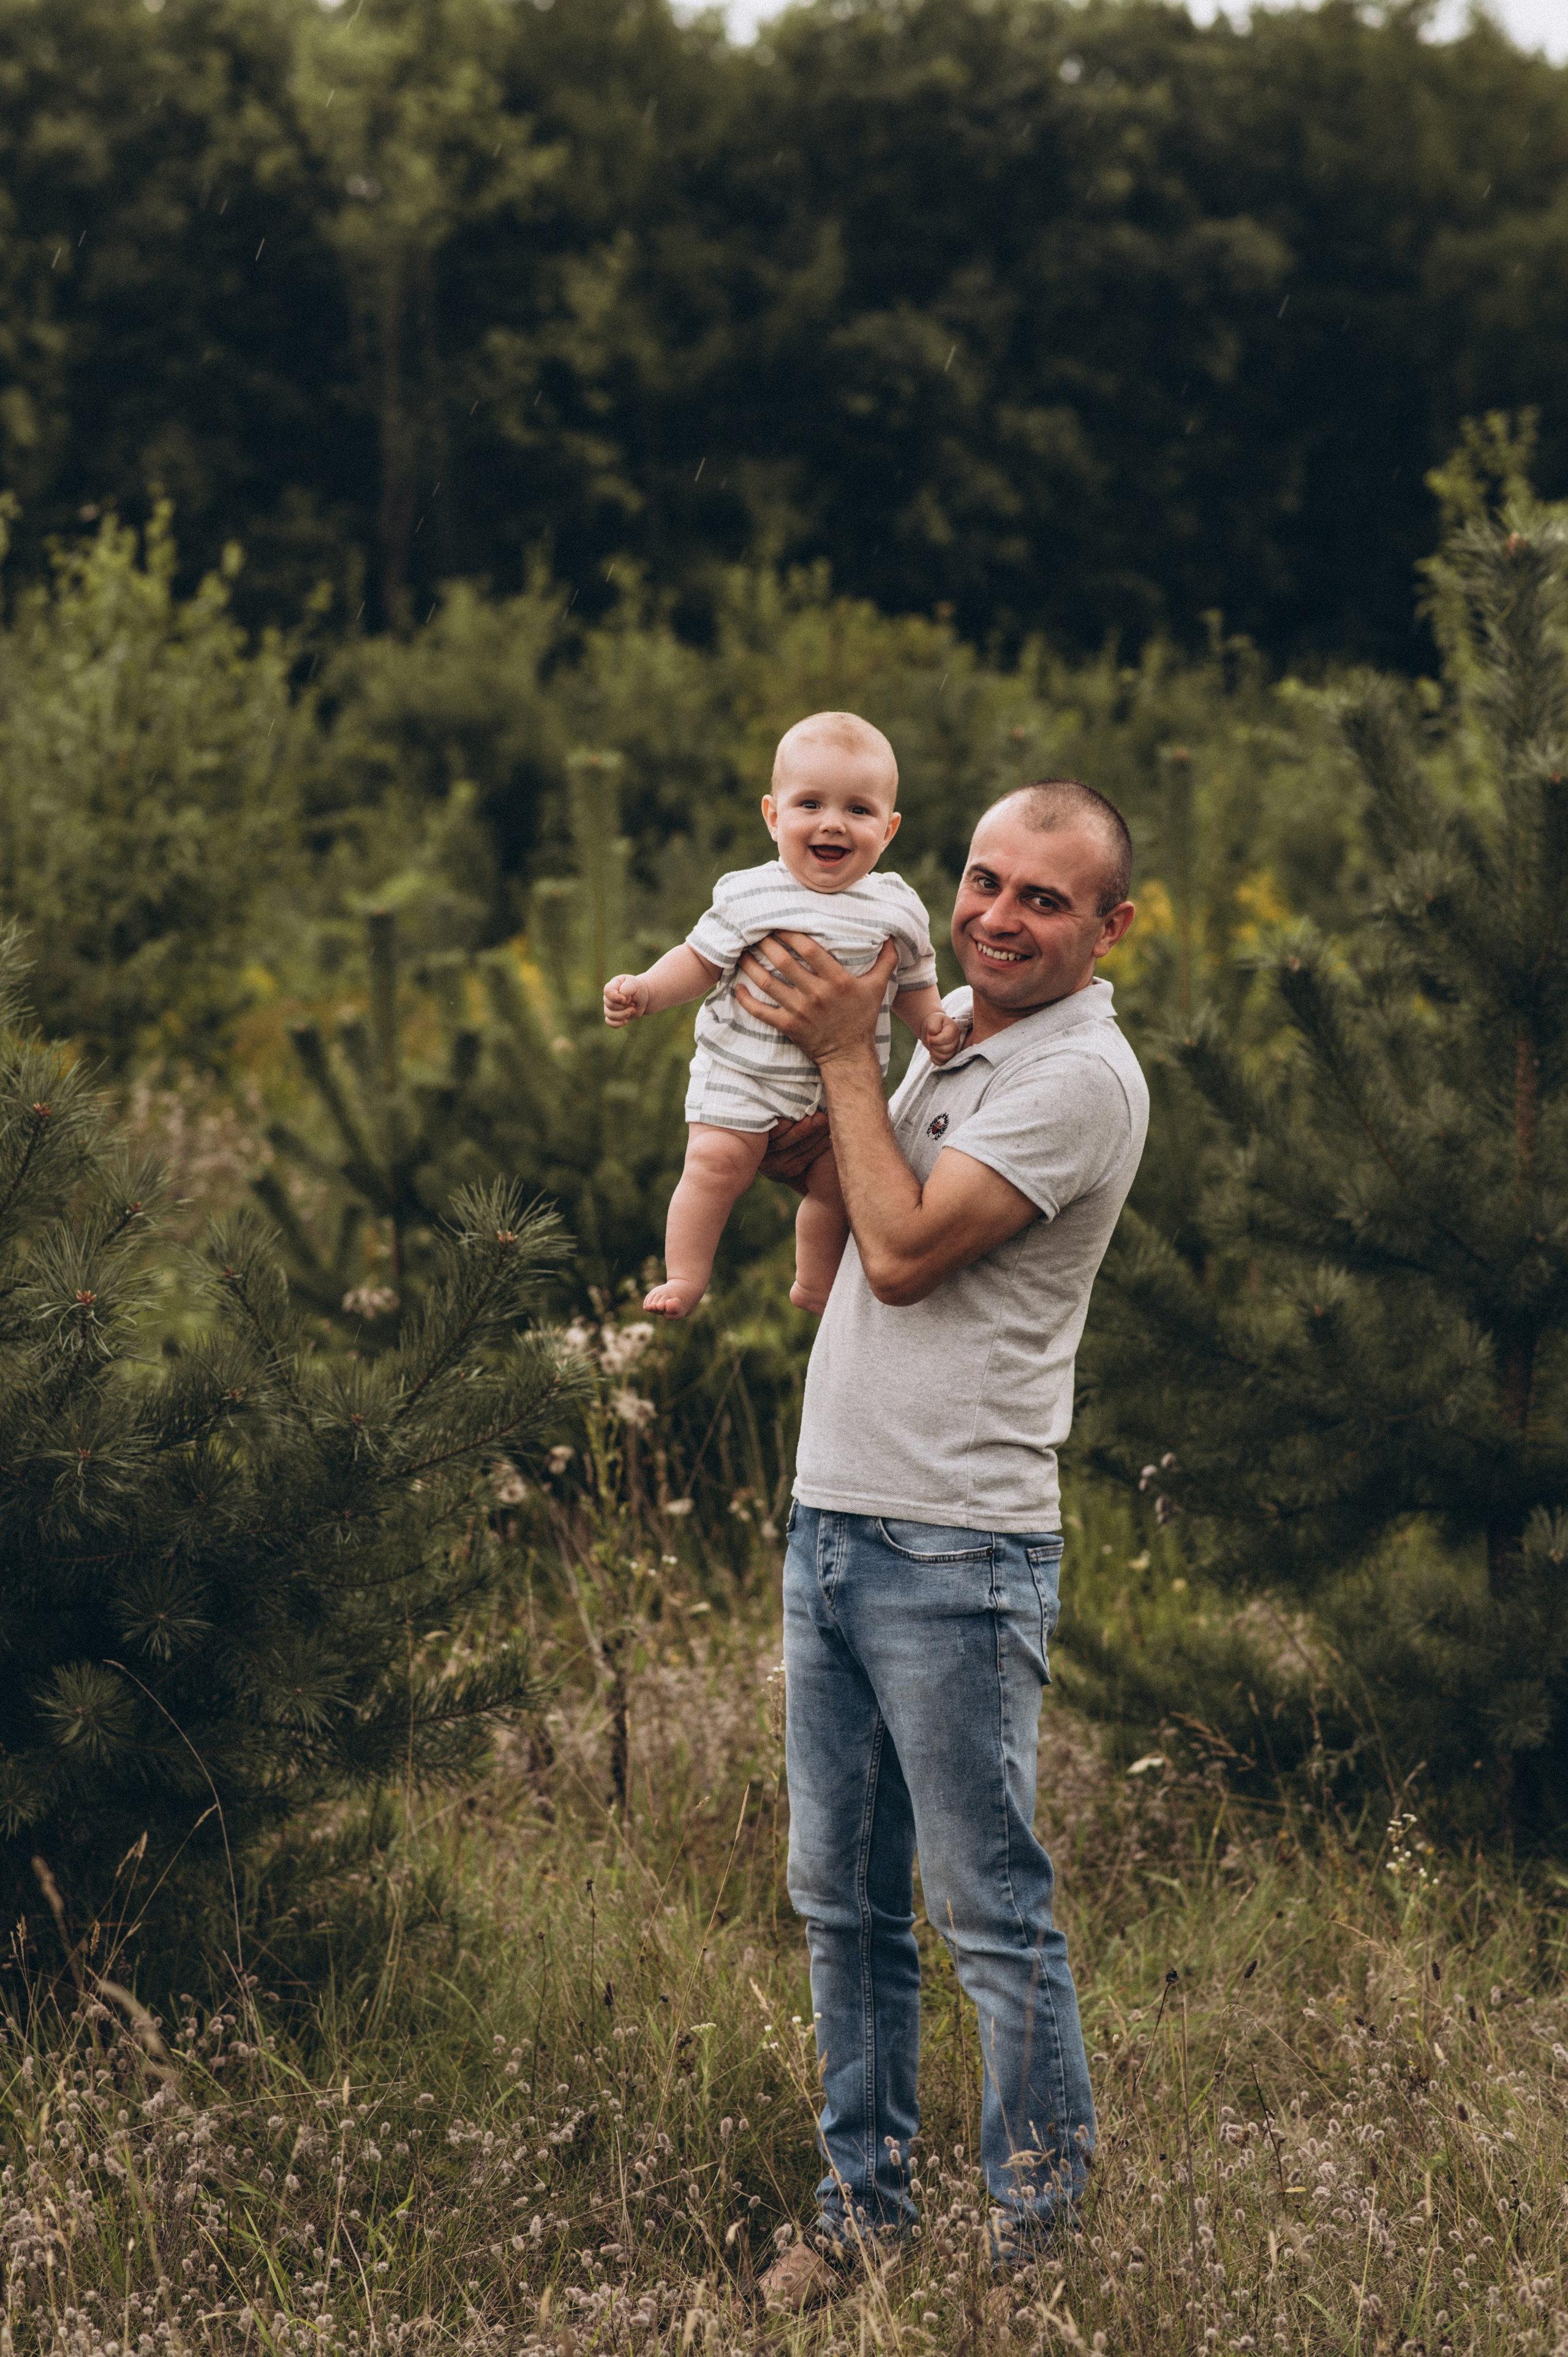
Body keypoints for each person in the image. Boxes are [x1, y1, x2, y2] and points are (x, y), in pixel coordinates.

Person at [737, 780, 1149, 2312]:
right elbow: (859, 1183)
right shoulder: (955, 1042)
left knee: (988, 1906)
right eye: (981, 880)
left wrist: (850, 1050)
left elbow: (901, 1255)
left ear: (1110, 926)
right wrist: (769, 1074)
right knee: (841, 1897)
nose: (994, 915)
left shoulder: (1080, 1079)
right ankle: (863, 2213)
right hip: (836, 1512)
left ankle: (1035, 2247)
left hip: (956, 1544)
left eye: (1043, 898)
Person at [601, 712, 967, 1318]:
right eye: (810, 804)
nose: (832, 823)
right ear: (773, 816)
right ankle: (686, 1275)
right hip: (742, 1073)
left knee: (840, 1187)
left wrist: (929, 1022)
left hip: (832, 1098)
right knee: (714, 1167)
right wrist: (645, 989)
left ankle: (815, 1283)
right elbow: (698, 961)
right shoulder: (752, 894)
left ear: (889, 827)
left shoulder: (895, 904)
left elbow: (911, 979)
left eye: (858, 809)